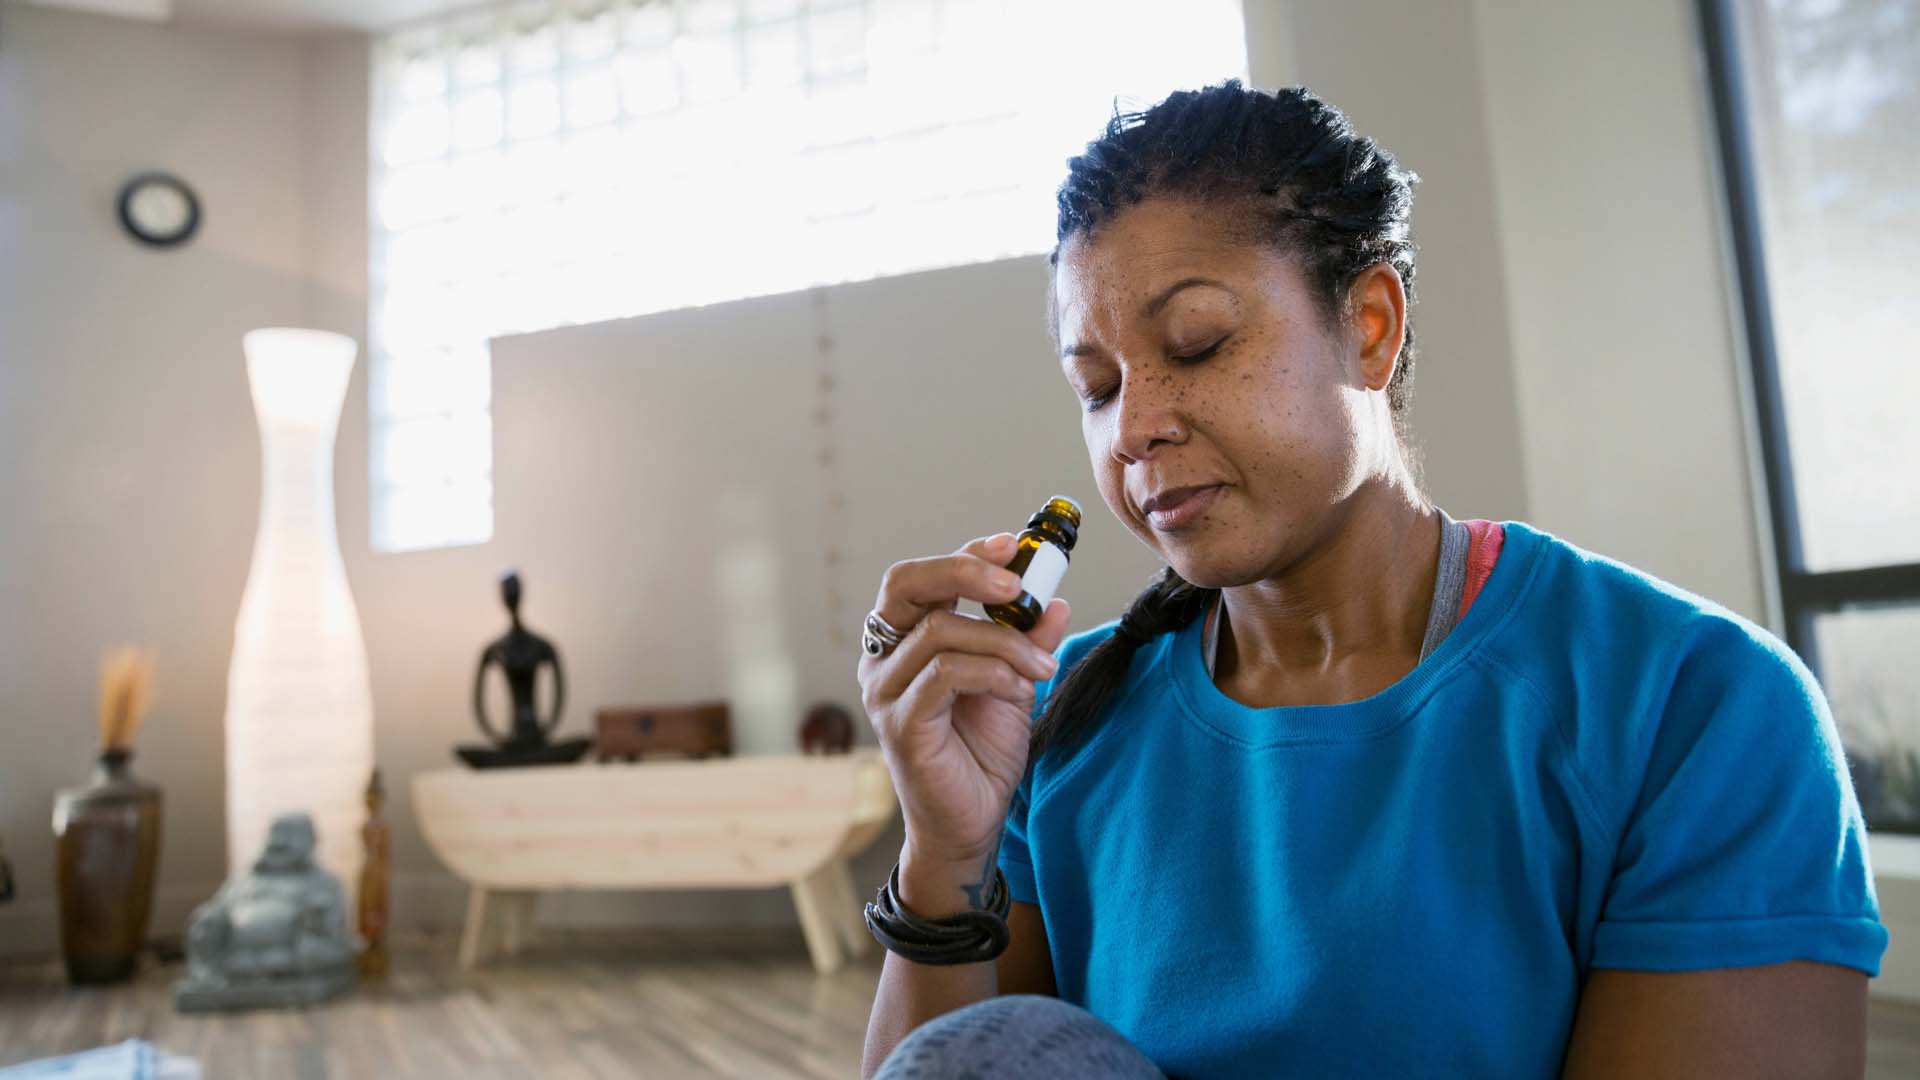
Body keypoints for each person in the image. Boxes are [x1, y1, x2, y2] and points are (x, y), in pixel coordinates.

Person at [855, 81, 1886, 1078]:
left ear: (1372, 327)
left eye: (1200, 344)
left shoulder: (1692, 705)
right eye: (1098, 385)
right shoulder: (1062, 715)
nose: (1133, 427)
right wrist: (947, 851)